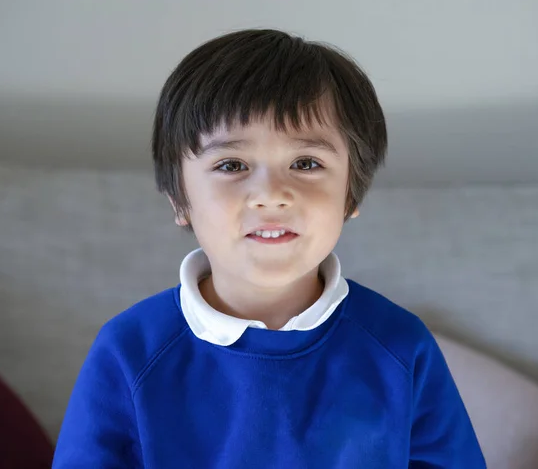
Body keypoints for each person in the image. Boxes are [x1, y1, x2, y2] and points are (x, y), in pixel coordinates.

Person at [52, 29, 486, 468]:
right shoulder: (130, 350)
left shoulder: (399, 344)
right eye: (232, 165)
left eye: (306, 163)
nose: (272, 194)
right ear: (180, 201)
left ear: (351, 196)